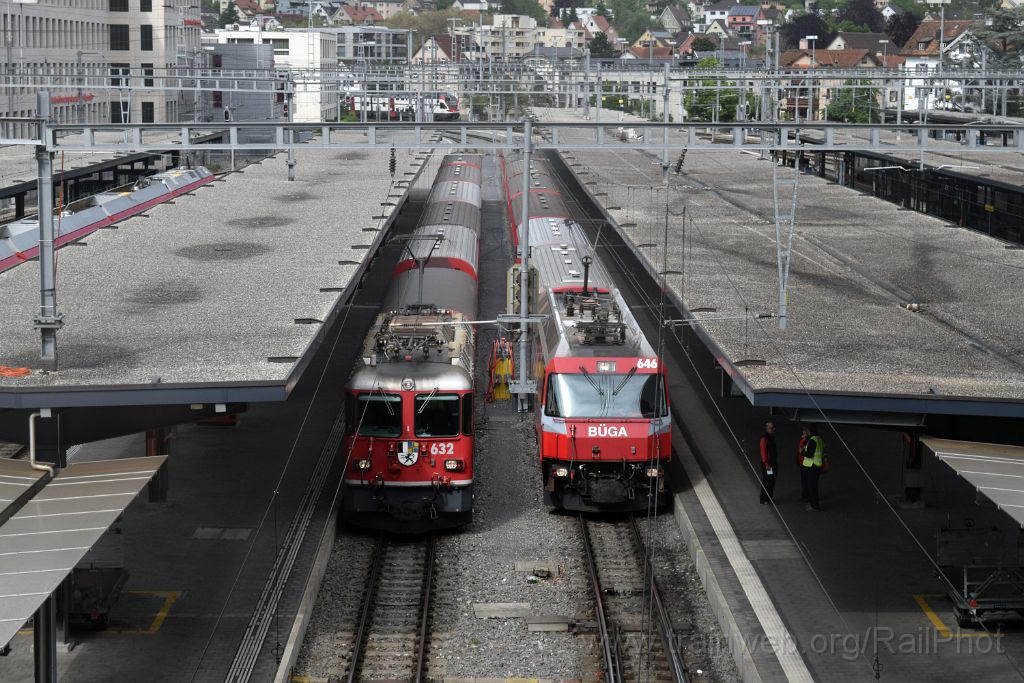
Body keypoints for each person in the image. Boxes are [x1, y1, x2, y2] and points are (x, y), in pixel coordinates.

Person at [801, 424, 826, 511]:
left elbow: (809, 454)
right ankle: (815, 503)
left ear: (810, 431)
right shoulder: (819, 439)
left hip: (811, 466)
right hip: (818, 465)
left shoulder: (812, 440)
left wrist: (803, 451)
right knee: (814, 486)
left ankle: (814, 505)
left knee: (812, 487)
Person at [759, 422, 778, 504]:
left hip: (773, 463)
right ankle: (764, 498)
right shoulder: (764, 439)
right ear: (767, 429)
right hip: (768, 464)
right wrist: (766, 463)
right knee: (767, 481)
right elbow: (763, 452)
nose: (772, 429)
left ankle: (769, 497)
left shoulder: (772, 438)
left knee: (772, 480)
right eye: (770, 428)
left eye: (773, 428)